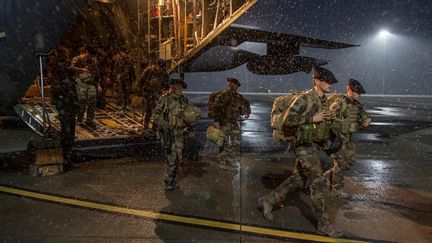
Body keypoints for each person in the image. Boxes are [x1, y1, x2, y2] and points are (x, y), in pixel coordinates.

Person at [258, 66, 343, 237]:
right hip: (303, 146)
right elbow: (289, 120)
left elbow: (321, 121)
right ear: (316, 81)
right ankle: (324, 225)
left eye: (332, 82)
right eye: (327, 81)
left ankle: (267, 201)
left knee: (299, 179)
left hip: (313, 144)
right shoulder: (304, 99)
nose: (331, 84)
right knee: (318, 182)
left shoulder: (324, 101)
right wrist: (313, 118)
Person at [328, 79, 372, 198]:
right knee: (341, 163)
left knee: (349, 162)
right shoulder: (340, 103)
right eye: (357, 92)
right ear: (349, 90)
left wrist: (368, 119)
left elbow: (365, 115)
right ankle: (336, 190)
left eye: (360, 93)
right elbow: (327, 117)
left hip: (348, 138)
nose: (359, 95)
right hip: (338, 138)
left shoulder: (356, 104)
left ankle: (322, 179)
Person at [153, 77, 190, 190]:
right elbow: (156, 115)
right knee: (171, 158)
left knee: (179, 158)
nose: (180, 89)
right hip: (169, 133)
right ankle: (168, 181)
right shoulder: (165, 99)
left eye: (180, 87)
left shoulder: (183, 99)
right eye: (177, 86)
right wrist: (164, 125)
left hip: (180, 133)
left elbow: (187, 115)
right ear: (172, 87)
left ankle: (172, 179)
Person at [211, 78, 251, 171]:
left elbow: (246, 102)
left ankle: (230, 159)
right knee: (223, 143)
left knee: (236, 143)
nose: (233, 86)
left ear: (237, 86)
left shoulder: (238, 97)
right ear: (229, 84)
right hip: (224, 122)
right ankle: (222, 162)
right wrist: (216, 121)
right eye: (232, 84)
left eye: (235, 85)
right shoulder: (222, 95)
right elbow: (215, 108)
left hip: (233, 122)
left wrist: (248, 111)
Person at [51, 64, 79, 167]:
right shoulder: (67, 84)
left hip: (68, 113)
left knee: (68, 136)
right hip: (67, 113)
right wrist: (63, 107)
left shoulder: (68, 84)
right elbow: (57, 99)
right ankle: (66, 160)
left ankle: (67, 159)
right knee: (67, 136)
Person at [71, 45, 98, 128]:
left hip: (91, 82)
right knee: (82, 101)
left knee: (92, 100)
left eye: (93, 56)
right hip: (80, 82)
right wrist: (81, 69)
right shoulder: (78, 59)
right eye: (90, 55)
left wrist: (98, 84)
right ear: (87, 53)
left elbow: (96, 72)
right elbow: (71, 68)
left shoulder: (94, 60)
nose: (92, 57)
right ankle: (79, 119)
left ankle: (89, 120)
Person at [139, 59, 169, 129]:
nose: (159, 69)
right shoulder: (149, 71)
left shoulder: (164, 74)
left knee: (157, 110)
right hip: (148, 92)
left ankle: (155, 127)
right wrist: (140, 91)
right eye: (159, 66)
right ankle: (146, 125)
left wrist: (165, 92)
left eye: (161, 68)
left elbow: (167, 85)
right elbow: (141, 80)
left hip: (158, 94)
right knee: (149, 109)